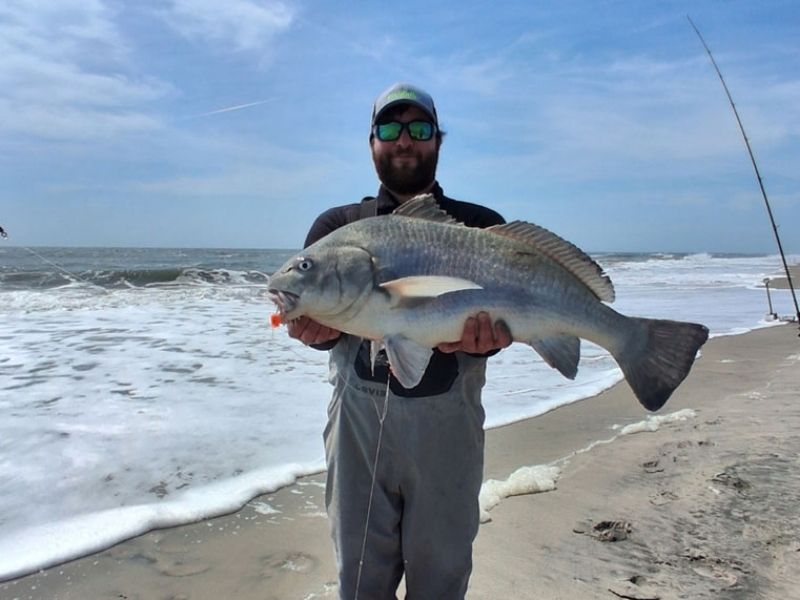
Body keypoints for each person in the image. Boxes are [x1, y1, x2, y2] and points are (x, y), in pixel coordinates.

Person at [287, 82, 512, 599]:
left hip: (448, 433)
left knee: (442, 582)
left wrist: (489, 342)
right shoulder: (337, 228)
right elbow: (324, 318)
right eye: (389, 128)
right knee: (360, 584)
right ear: (371, 143)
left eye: (419, 128)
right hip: (359, 432)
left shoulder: (481, 228)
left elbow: (505, 324)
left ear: (438, 140)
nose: (404, 140)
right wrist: (314, 332)